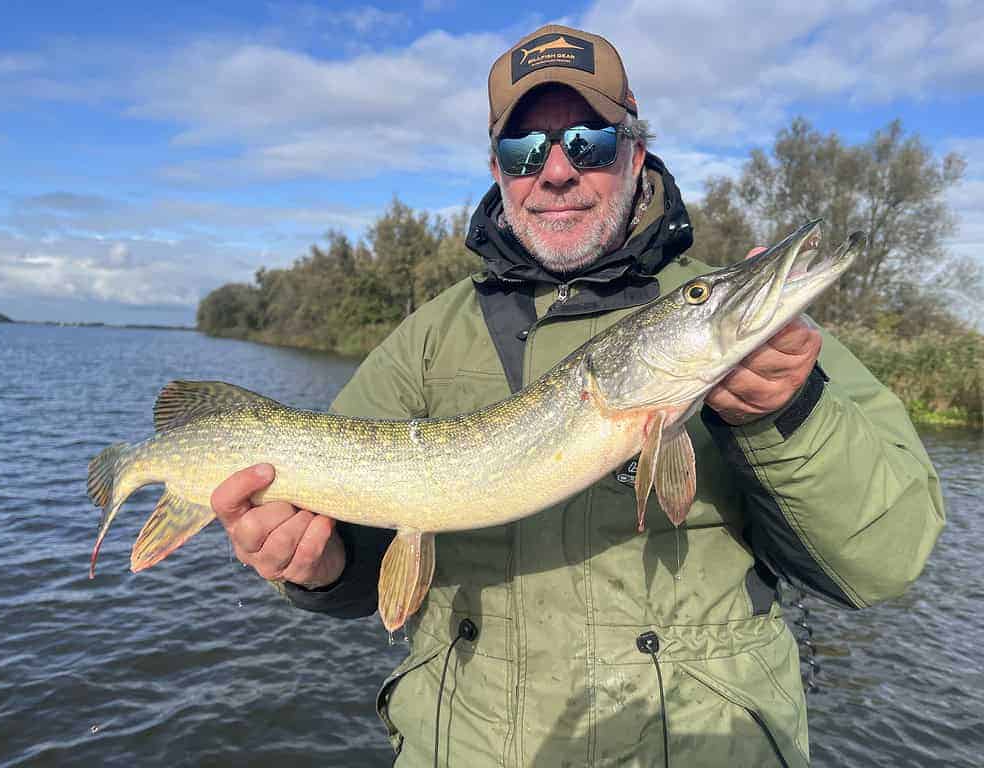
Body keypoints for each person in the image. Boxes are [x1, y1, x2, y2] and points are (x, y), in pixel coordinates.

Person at [210, 24, 945, 768]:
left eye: (587, 140)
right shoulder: (429, 337)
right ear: (498, 170)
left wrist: (786, 414)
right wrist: (318, 564)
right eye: (524, 150)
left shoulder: (784, 347)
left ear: (635, 146)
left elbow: (881, 562)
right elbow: (349, 547)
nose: (555, 171)